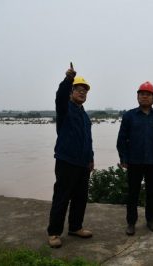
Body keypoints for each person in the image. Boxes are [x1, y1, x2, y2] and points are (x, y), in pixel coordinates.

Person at [47, 64, 94, 248]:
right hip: (66, 160)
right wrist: (68, 79)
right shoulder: (65, 108)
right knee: (62, 197)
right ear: (71, 92)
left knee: (80, 197)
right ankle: (54, 232)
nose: (82, 93)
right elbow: (59, 96)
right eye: (79, 90)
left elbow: (88, 139)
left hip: (83, 163)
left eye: (85, 91)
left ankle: (75, 227)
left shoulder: (84, 115)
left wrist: (91, 158)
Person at [117, 81, 153, 236]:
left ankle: (151, 220)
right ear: (137, 97)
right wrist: (123, 158)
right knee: (133, 193)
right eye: (142, 94)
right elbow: (121, 139)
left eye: (148, 94)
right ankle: (131, 223)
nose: (145, 97)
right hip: (134, 162)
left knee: (151, 193)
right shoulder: (129, 116)